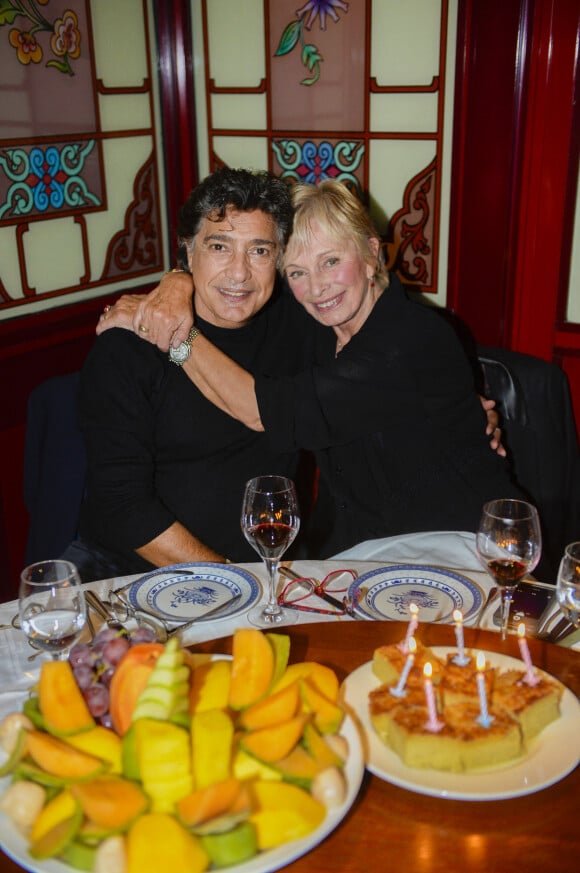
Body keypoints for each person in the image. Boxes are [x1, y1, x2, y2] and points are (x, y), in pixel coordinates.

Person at [100, 179, 522, 559]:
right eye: (298, 271)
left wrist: (175, 334)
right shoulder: (315, 327)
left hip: (461, 545)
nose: (318, 287)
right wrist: (176, 282)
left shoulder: (410, 340)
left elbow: (261, 409)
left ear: (372, 254)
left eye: (331, 261)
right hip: (358, 555)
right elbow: (120, 504)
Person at [64, 168, 318, 582]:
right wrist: (229, 579)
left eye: (259, 251)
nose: (239, 273)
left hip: (269, 559)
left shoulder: (301, 324)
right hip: (131, 570)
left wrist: (177, 280)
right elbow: (122, 505)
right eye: (219, 246)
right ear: (187, 250)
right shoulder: (127, 346)